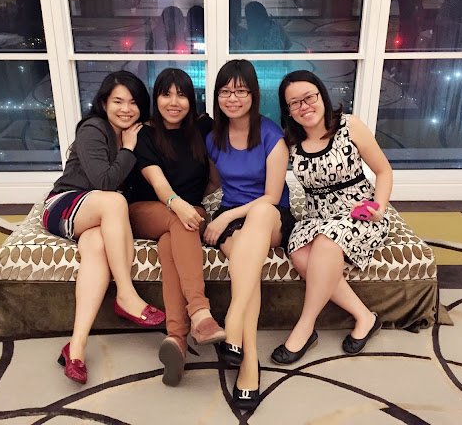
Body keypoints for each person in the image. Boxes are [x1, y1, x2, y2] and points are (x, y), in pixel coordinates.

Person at [43, 71, 165, 384]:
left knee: (97, 247)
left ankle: (76, 347)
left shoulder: (136, 132)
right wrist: (128, 148)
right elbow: (105, 182)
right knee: (113, 201)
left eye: (133, 102)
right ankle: (126, 294)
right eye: (117, 101)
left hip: (95, 217)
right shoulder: (93, 128)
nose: (126, 109)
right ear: (104, 103)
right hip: (64, 205)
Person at [271, 70, 392, 366]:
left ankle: (305, 327)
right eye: (294, 103)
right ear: (288, 110)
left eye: (309, 97)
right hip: (316, 217)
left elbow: (383, 171)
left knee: (327, 242)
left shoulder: (350, 126)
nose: (304, 106)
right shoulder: (291, 141)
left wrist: (378, 206)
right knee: (299, 251)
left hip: (358, 214)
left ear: (322, 96)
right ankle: (365, 316)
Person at [205, 59, 296, 410]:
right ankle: (249, 362)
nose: (233, 98)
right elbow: (212, 183)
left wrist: (227, 214)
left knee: (258, 214)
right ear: (217, 96)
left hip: (270, 216)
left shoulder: (272, 136)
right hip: (233, 221)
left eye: (241, 91)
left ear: (254, 95)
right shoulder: (213, 137)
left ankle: (232, 320)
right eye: (226, 91)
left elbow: (271, 197)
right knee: (246, 266)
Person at [128, 68, 226, 387]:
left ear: (191, 100)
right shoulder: (145, 134)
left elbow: (218, 170)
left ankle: (177, 339)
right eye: (166, 94)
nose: (174, 102)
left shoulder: (203, 127)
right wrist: (179, 204)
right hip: (147, 210)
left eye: (181, 95)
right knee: (181, 219)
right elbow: (157, 182)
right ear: (156, 99)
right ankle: (200, 311)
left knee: (171, 243)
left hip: (186, 216)